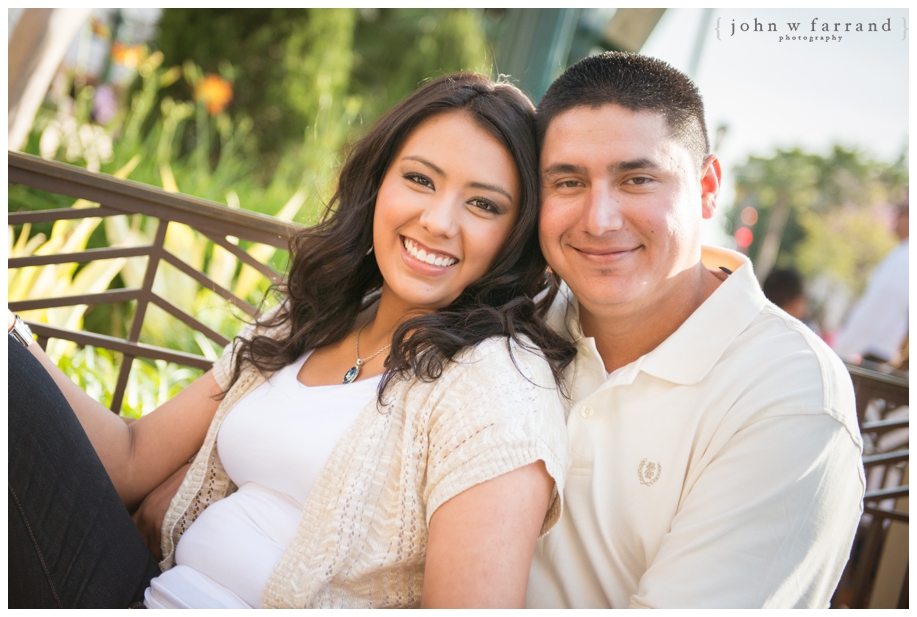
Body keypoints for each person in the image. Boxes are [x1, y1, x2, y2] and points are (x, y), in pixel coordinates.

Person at [9, 73, 576, 609]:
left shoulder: (497, 391)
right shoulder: (316, 315)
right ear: (379, 182)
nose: (437, 220)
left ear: (516, 234)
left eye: (483, 204)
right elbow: (130, 459)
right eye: (420, 179)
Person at [525, 52, 865, 609]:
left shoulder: (790, 393)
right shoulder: (515, 322)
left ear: (707, 187)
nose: (599, 219)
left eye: (637, 178)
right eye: (568, 182)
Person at [832, 198, 909, 365]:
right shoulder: (901, 254)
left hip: (875, 354)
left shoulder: (907, 257)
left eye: (902, 213)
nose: (896, 218)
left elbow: (881, 311)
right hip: (871, 353)